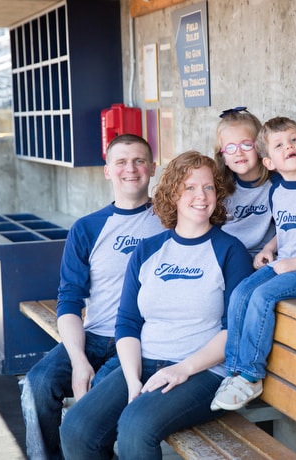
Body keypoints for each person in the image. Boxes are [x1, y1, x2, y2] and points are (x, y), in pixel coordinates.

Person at [59, 151, 253, 460]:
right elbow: (128, 322)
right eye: (189, 187)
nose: (201, 196)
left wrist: (182, 369)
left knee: (135, 427)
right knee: (77, 427)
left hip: (202, 371)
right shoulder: (149, 250)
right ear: (173, 193)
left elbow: (237, 331)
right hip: (145, 363)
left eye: (208, 187)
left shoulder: (230, 251)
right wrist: (133, 378)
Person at [20, 134, 164, 460]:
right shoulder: (87, 228)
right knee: (37, 385)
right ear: (107, 170)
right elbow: (70, 299)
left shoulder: (168, 222)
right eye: (121, 162)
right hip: (94, 336)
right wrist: (78, 359)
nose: (131, 169)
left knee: (93, 409)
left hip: (142, 341)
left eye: (140, 160)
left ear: (153, 168)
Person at [210, 116, 296, 411]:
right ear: (269, 162)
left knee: (262, 295)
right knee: (241, 293)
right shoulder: (278, 190)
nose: (289, 147)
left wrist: (295, 263)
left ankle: (250, 376)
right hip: (287, 264)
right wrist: (270, 249)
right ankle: (233, 370)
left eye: (294, 140)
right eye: (279, 145)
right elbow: (283, 231)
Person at [214, 106, 278, 259]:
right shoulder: (219, 187)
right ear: (223, 157)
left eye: (246, 144)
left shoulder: (277, 185)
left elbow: (287, 228)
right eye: (230, 147)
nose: (238, 152)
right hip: (227, 255)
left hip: (263, 256)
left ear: (260, 148)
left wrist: (269, 250)